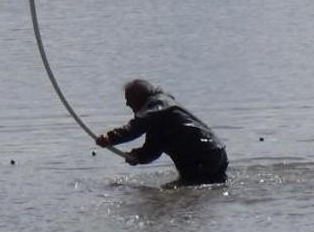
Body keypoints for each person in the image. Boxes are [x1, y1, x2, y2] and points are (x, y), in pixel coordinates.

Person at [96, 79, 228, 186]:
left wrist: (110, 137)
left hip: (203, 157)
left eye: (129, 99)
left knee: (180, 192)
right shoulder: (161, 115)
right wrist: (138, 156)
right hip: (215, 153)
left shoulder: (158, 106)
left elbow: (134, 128)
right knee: (194, 190)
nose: (127, 104)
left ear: (139, 98)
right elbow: (154, 147)